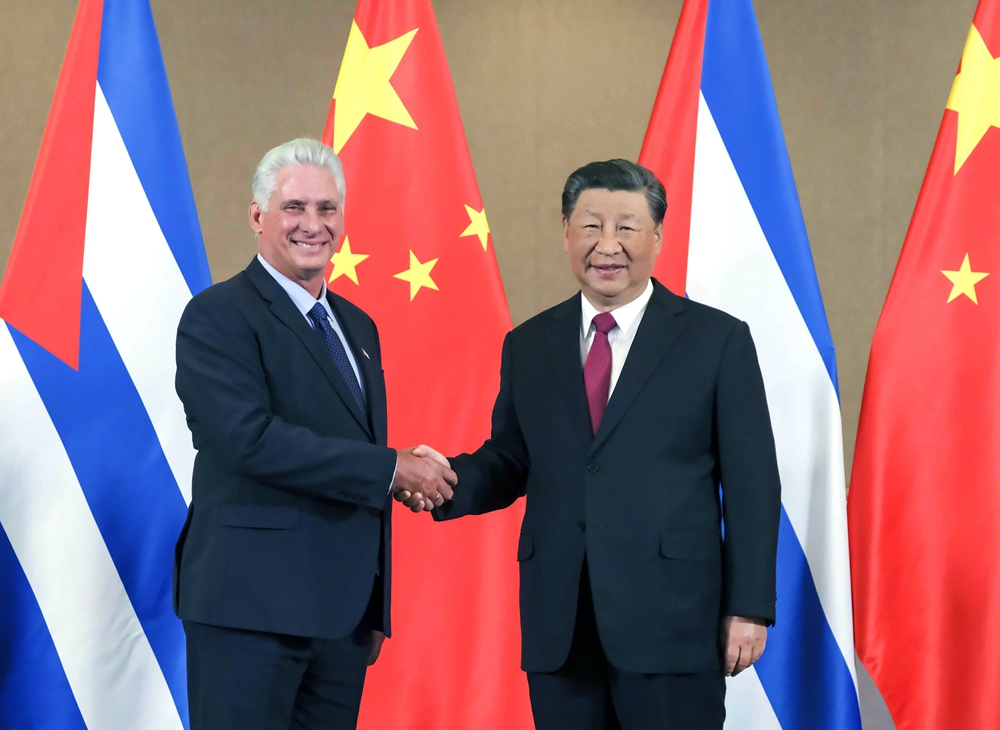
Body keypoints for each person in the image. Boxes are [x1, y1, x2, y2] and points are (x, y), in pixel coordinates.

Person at [401, 160, 781, 729]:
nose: (608, 245)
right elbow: (512, 459)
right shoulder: (530, 344)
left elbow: (753, 483)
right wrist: (445, 481)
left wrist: (749, 607)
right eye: (590, 226)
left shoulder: (716, 340)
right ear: (565, 233)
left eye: (626, 227)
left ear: (657, 235)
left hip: (673, 622)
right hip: (562, 624)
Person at [173, 138, 456, 730]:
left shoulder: (358, 326)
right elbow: (249, 440)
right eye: (294, 207)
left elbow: (354, 450)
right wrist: (391, 468)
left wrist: (375, 604)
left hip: (341, 619)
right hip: (249, 612)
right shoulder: (217, 316)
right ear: (258, 216)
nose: (313, 224)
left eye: (327, 209)